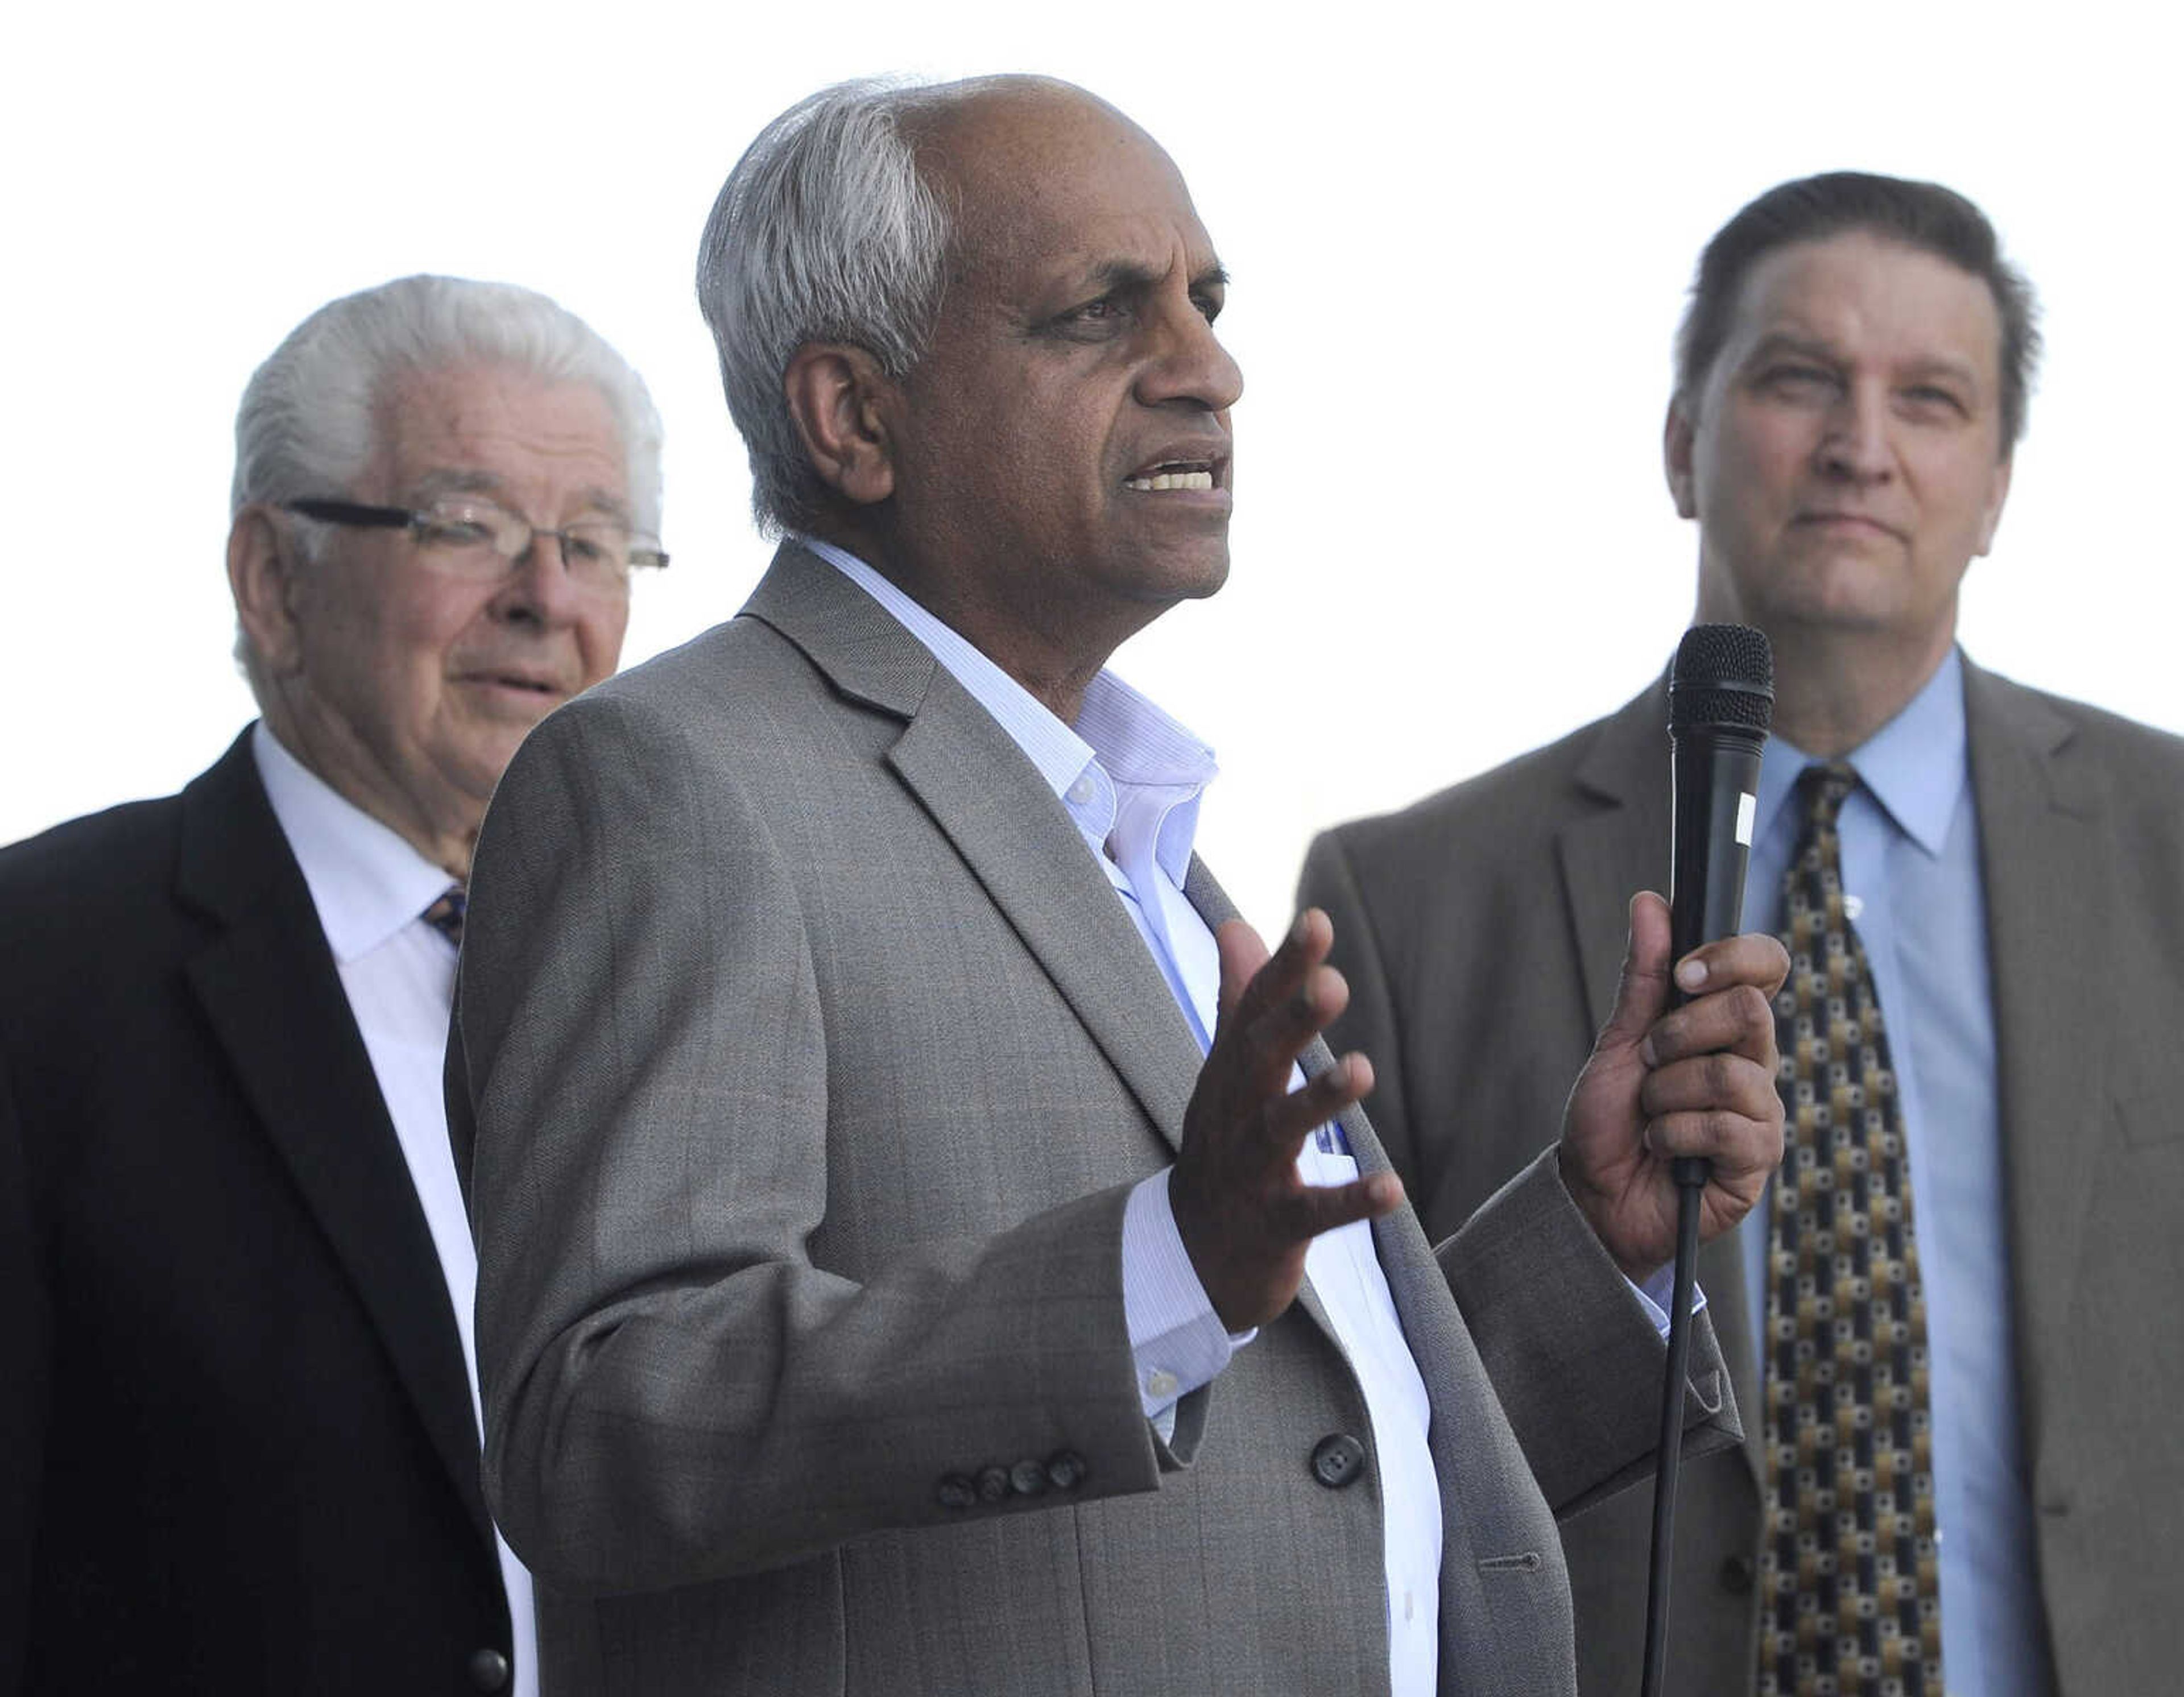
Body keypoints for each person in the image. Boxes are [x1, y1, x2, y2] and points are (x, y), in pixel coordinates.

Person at [449, 76, 1786, 1697]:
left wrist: (1594, 1238)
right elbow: (600, 1424)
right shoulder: (669, 781)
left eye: (1208, 305)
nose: (1210, 370)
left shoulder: (1129, 822)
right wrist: (1161, 1259)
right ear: (852, 417)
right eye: (1102, 313)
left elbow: (1305, 1456)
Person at [1300, 172, 2184, 1696]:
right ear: (1680, 443)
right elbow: (1339, 1444)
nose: (1861, 446)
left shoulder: (2166, 843)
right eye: (1799, 380)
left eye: (1930, 399)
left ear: (1998, 488)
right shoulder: (1411, 902)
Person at [0, 274, 665, 1695]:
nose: (546, 597)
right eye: (466, 523)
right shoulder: (38, 976)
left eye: (595, 544)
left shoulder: (682, 975)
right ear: (272, 577)